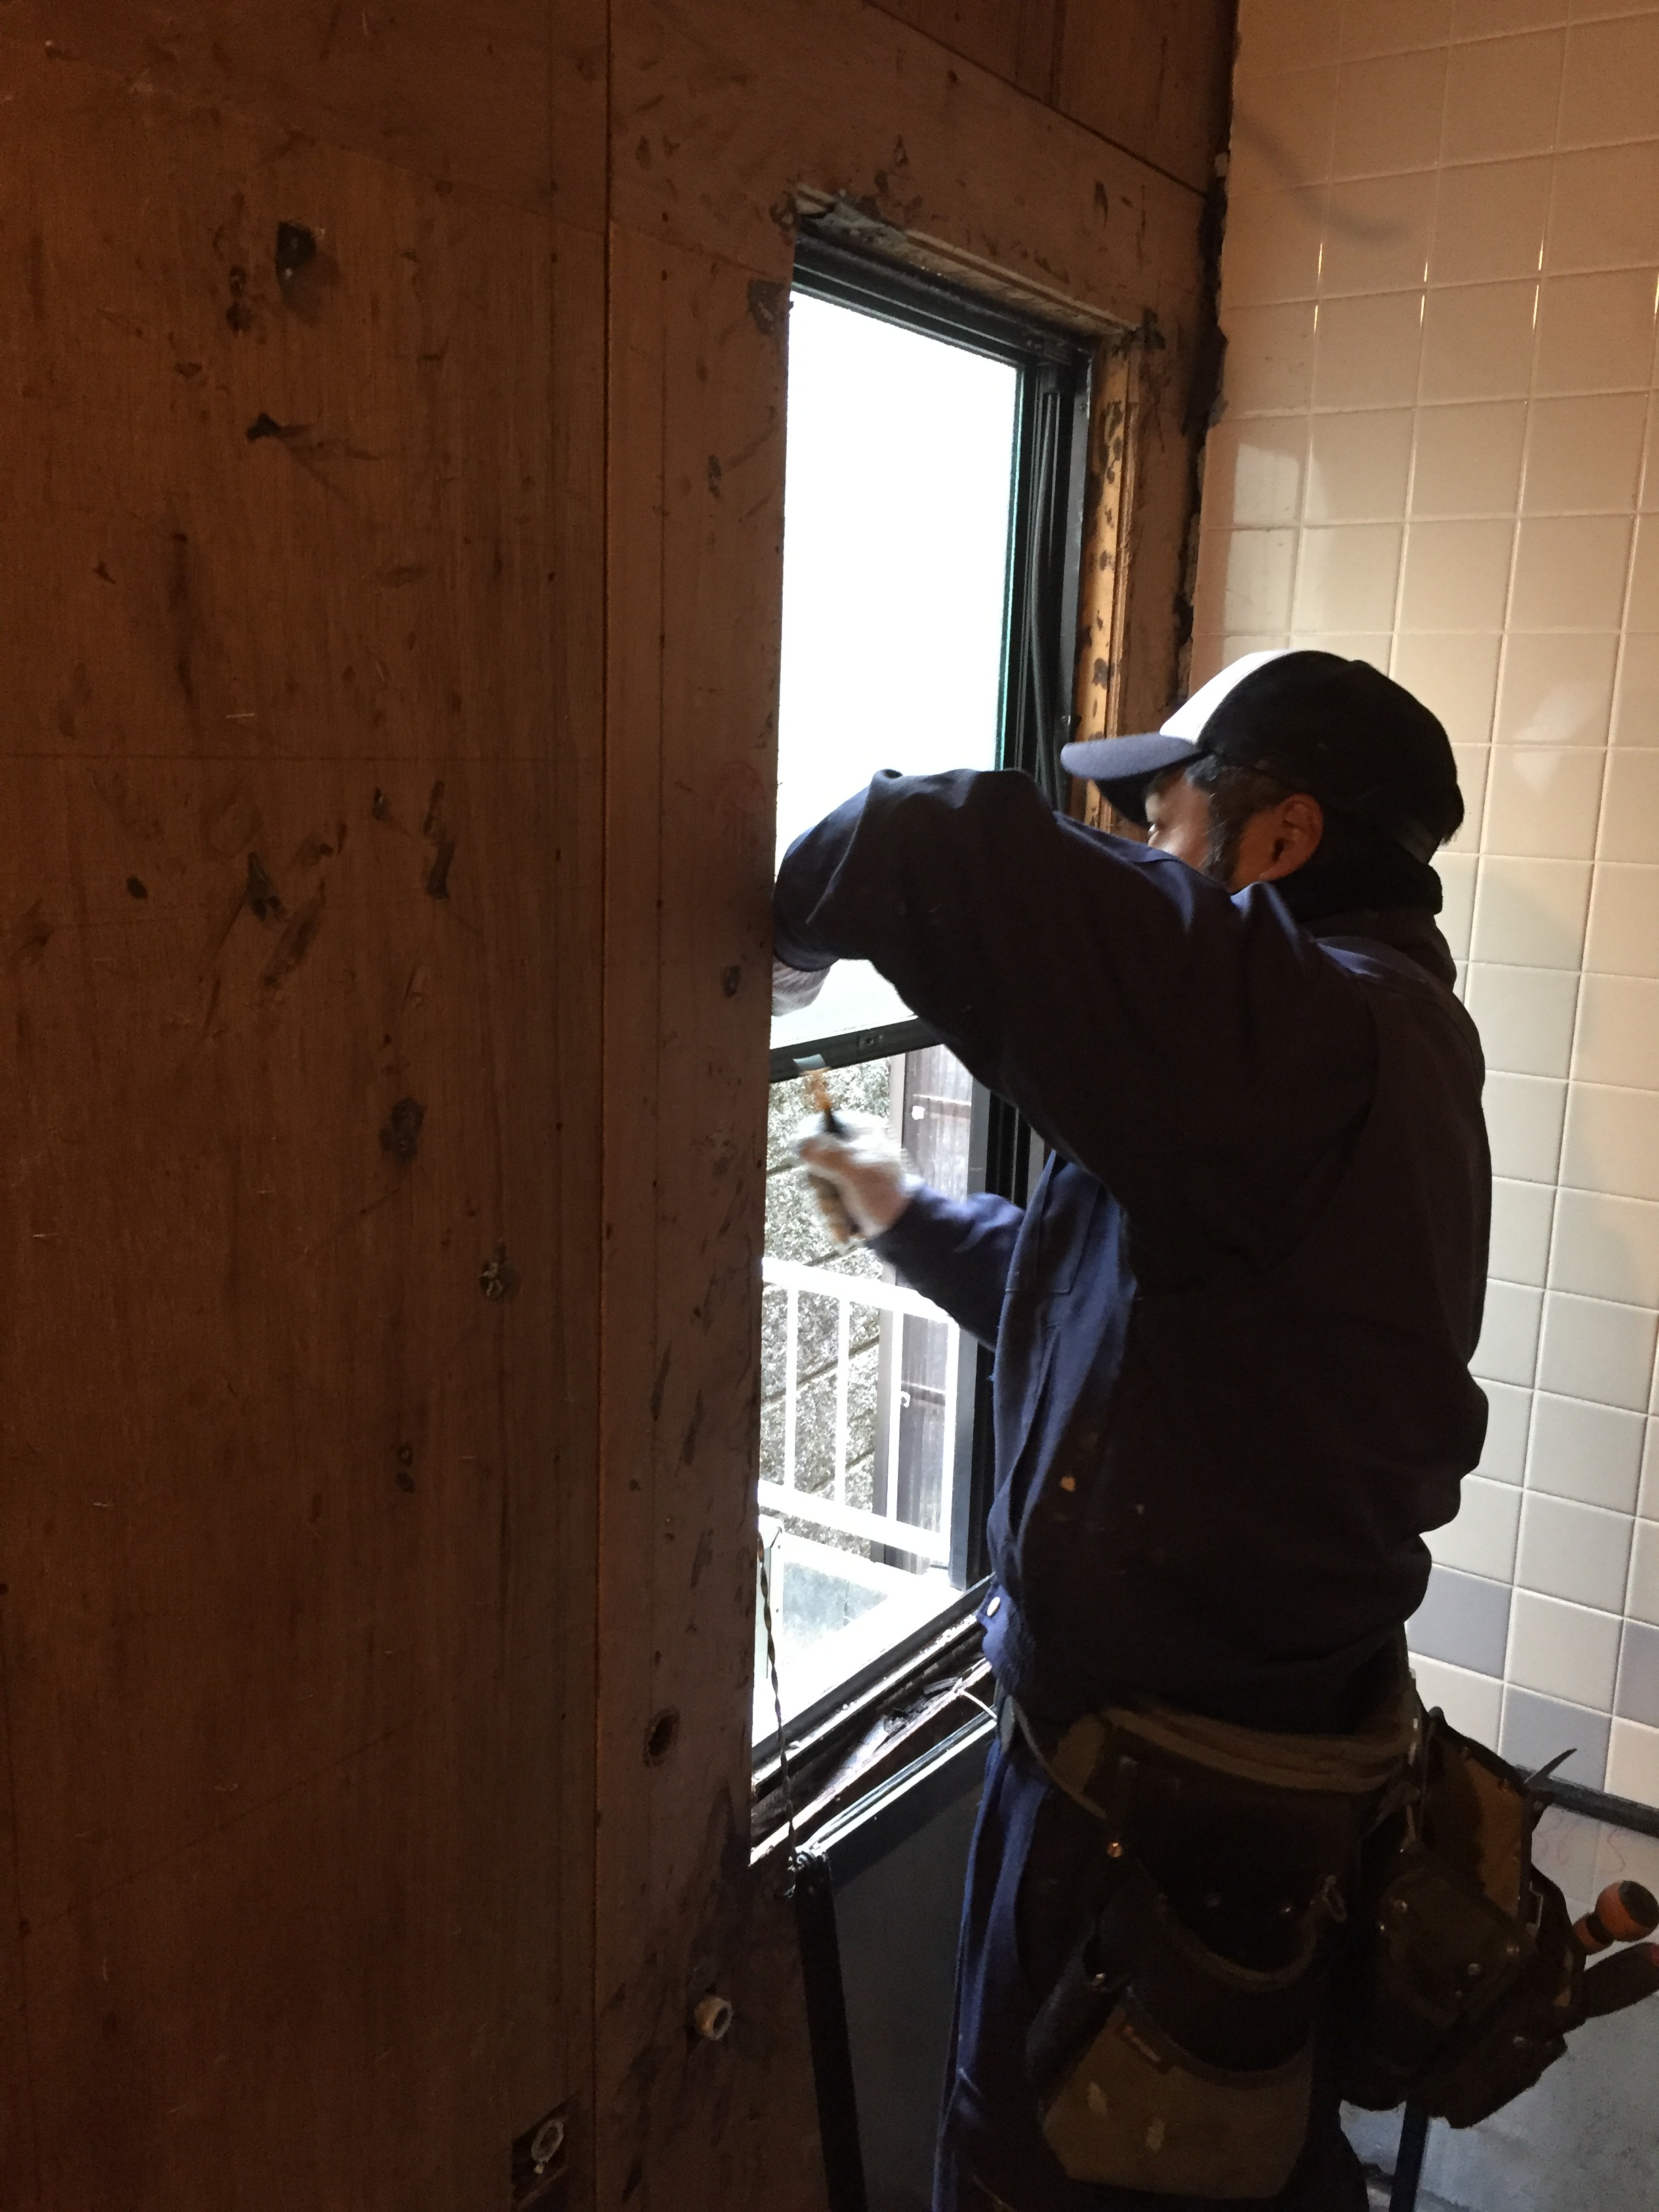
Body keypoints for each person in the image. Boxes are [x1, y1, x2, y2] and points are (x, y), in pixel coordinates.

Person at [770, 650, 1491, 2212]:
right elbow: (1113, 1316)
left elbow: (921, 843)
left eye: (1169, 818)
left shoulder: (1316, 1040)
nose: (1151, 852)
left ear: (1281, 837)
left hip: (1149, 1839)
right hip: (1236, 1803)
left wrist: (771, 961)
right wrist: (889, 1205)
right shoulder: (1367, 1066)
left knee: (1044, 2178)